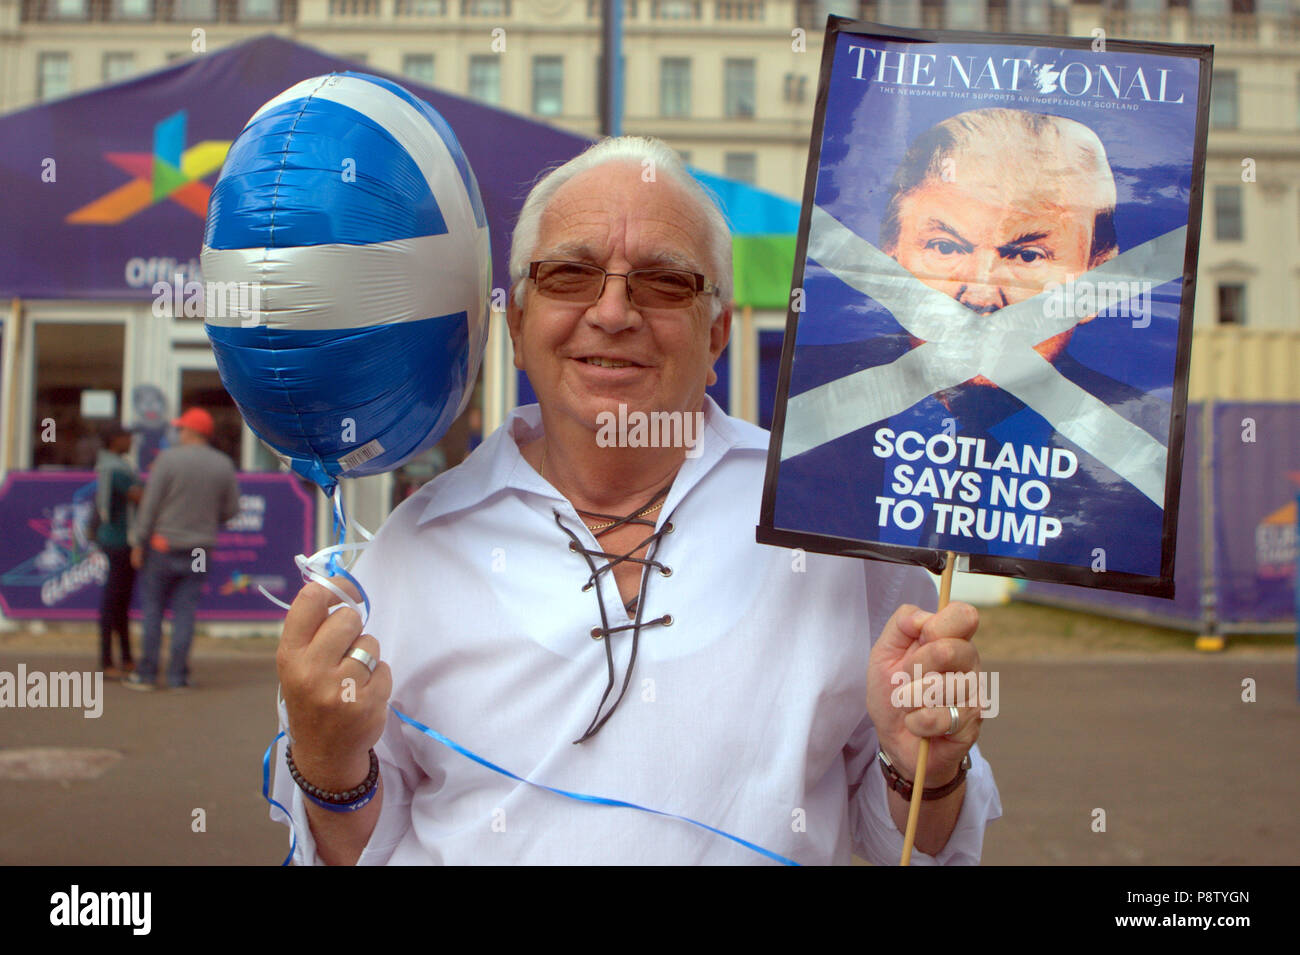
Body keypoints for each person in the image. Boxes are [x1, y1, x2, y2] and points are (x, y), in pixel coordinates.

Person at [270, 136, 1001, 865]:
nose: (614, 311)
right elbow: (357, 851)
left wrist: (924, 772)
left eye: (663, 282)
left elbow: (910, 844)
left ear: (716, 333)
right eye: (569, 274)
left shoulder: (823, 520)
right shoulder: (415, 545)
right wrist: (329, 766)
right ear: (519, 326)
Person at [778, 108, 1172, 575]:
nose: (982, 294)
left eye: (1027, 254)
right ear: (889, 260)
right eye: (945, 247)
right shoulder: (789, 409)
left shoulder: (1150, 455)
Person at [124, 407, 240, 691]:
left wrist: (139, 541)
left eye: (181, 428)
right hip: (200, 549)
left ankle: (147, 675)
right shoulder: (223, 464)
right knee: (185, 613)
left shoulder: (167, 460)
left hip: (163, 546)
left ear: (191, 431)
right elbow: (232, 511)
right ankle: (178, 677)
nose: (178, 433)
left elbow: (149, 506)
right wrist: (209, 520)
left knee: (153, 611)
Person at [94, 424, 143, 678]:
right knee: (114, 601)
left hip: (114, 539)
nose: (131, 441)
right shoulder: (117, 468)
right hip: (119, 541)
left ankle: (124, 657)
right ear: (115, 440)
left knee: (120, 601)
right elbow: (139, 497)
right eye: (127, 437)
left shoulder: (111, 464)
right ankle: (108, 660)